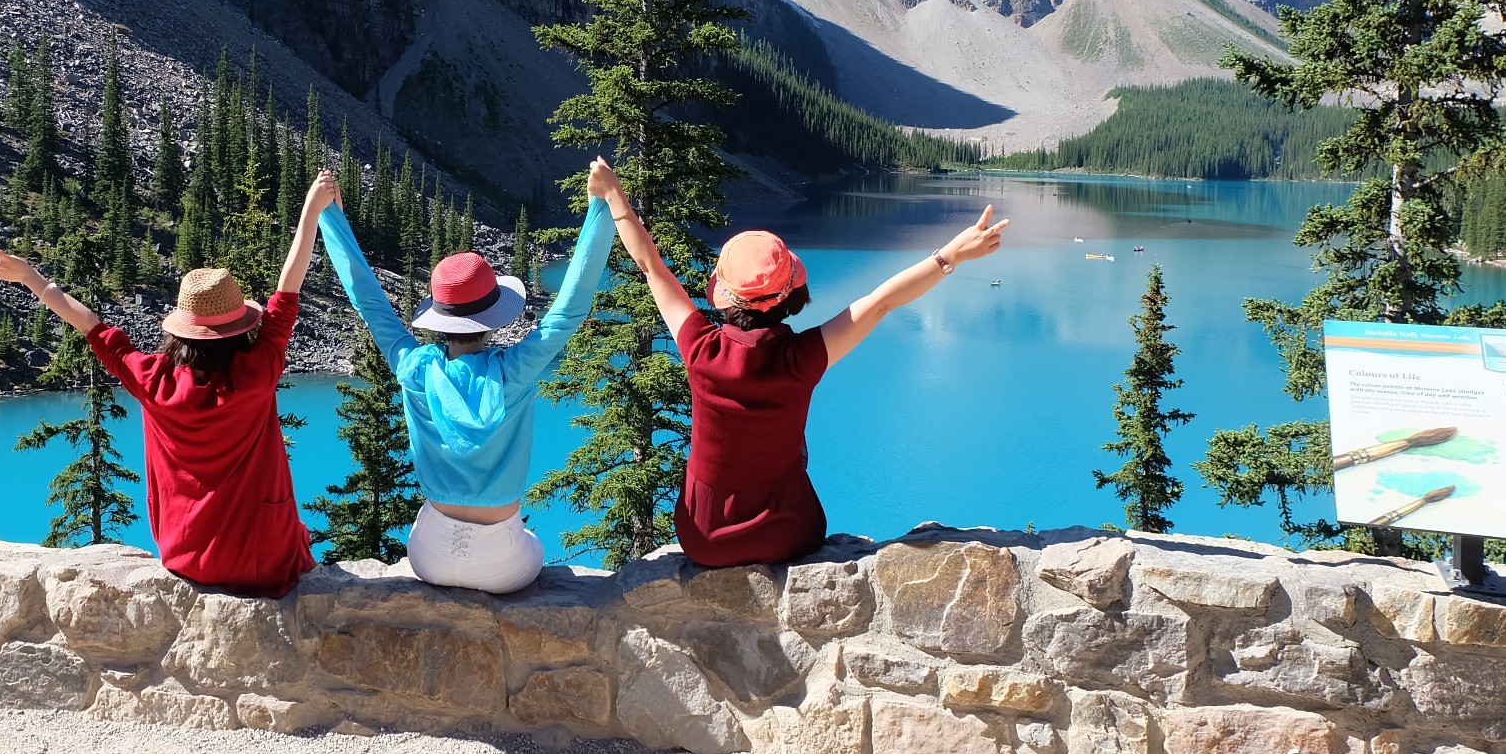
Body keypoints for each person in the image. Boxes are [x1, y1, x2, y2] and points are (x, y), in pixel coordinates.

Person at [600, 172, 1010, 568]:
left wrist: (615, 195)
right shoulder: (803, 357)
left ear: (725, 296)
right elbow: (883, 300)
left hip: (703, 538)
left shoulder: (700, 348)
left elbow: (651, 264)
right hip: (787, 534)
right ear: (793, 293)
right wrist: (950, 255)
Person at [0, 171, 339, 597]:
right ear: (240, 329)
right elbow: (287, 292)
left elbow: (90, 324)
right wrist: (310, 213)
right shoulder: (259, 370)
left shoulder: (152, 379)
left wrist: (31, 278)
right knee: (299, 532)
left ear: (181, 331)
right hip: (263, 562)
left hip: (186, 557)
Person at [313, 161, 620, 593]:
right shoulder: (516, 370)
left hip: (429, 558)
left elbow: (369, 300)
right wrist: (600, 207)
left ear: (438, 317)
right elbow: (568, 310)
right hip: (503, 566)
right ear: (494, 318)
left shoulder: (415, 368)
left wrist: (331, 216)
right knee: (531, 544)